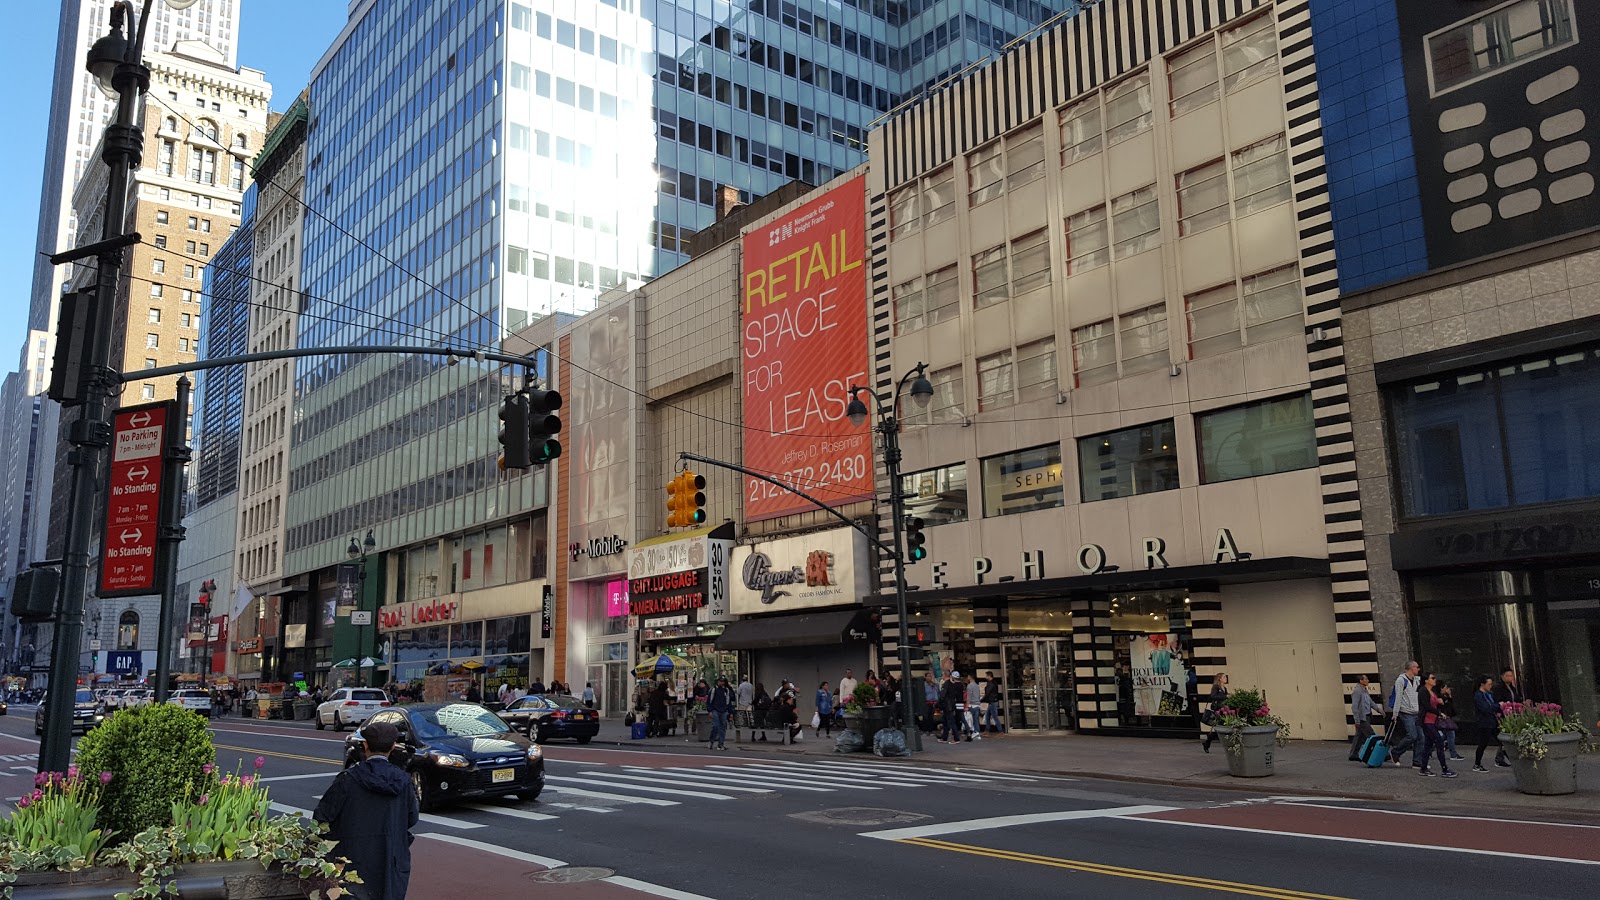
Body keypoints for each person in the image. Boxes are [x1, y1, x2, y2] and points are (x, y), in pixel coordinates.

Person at [313, 721, 418, 900]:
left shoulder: (348, 779)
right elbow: (411, 818)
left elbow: (321, 819)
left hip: (352, 861)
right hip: (390, 861)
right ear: (393, 746)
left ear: (365, 745)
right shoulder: (403, 781)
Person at [1416, 673, 1456, 777]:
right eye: (1432, 678)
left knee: (1428, 744)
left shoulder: (1432, 691)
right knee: (1439, 741)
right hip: (1426, 721)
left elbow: (1434, 703)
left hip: (1432, 720)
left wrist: (1440, 702)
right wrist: (1439, 713)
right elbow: (1426, 706)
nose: (1435, 680)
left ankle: (1423, 768)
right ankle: (1444, 769)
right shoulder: (1423, 691)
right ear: (1426, 680)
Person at [1388, 661, 1422, 767]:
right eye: (1417, 667)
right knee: (1412, 735)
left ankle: (1417, 761)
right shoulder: (1401, 680)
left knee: (1421, 737)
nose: (1418, 669)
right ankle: (1396, 751)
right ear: (1411, 668)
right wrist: (1395, 713)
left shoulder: (1417, 680)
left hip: (1417, 712)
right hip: (1406, 712)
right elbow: (1398, 697)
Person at [1491, 667, 1522, 768]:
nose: (1510, 678)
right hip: (1504, 714)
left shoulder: (1512, 688)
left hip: (1512, 713)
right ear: (1502, 677)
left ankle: (1502, 755)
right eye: (1507, 676)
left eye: (1511, 676)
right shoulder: (1498, 688)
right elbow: (1497, 701)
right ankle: (1502, 755)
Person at [1347, 674, 1380, 761]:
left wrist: (1379, 710)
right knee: (1371, 735)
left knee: (1359, 736)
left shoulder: (1364, 690)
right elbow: (1354, 706)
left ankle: (1353, 754)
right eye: (1366, 679)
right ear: (1361, 681)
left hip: (1367, 715)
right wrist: (1357, 720)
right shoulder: (1357, 691)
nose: (1368, 680)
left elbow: (1370, 702)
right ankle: (1381, 751)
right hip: (1362, 718)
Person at [1471, 674, 1501, 772]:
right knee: (1483, 743)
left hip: (1492, 721)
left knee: (1500, 741)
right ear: (1482, 684)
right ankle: (1477, 764)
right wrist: (1497, 706)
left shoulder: (1488, 694)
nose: (1490, 686)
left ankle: (1502, 759)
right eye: (1489, 684)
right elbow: (1485, 708)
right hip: (1484, 723)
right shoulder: (1478, 695)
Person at [1200, 673, 1229, 753]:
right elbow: (1213, 696)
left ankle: (1207, 742)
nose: (1225, 678)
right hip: (1217, 709)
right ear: (1219, 679)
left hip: (1224, 709)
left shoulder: (1224, 688)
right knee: (1218, 726)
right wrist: (1225, 697)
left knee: (1220, 726)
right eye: (1224, 677)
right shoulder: (1216, 687)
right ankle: (1207, 743)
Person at [707, 677, 735, 751]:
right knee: (715, 726)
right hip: (715, 709)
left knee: (723, 727)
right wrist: (710, 711)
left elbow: (728, 702)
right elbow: (709, 701)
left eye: (722, 682)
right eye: (720, 681)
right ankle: (712, 740)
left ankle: (721, 743)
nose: (721, 683)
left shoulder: (726, 690)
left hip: (724, 710)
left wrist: (730, 712)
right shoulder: (713, 690)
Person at [1438, 683, 1464, 761]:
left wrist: (1450, 697)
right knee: (1450, 734)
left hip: (1447, 717)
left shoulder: (1446, 698)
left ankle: (1430, 748)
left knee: (1444, 736)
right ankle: (1453, 754)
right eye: (1445, 688)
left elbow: (1451, 709)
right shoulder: (1439, 697)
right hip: (1441, 718)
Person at [939, 672, 965, 744]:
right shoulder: (956, 685)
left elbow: (942, 695)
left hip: (947, 705)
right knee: (947, 721)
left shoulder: (947, 684)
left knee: (950, 721)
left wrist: (940, 703)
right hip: (953, 705)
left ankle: (956, 738)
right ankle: (944, 737)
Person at [963, 674, 983, 741]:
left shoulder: (969, 686)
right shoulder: (977, 686)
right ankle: (977, 732)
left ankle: (974, 732)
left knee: (971, 720)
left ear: (970, 677)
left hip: (972, 704)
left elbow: (969, 697)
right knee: (976, 720)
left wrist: (966, 706)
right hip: (977, 704)